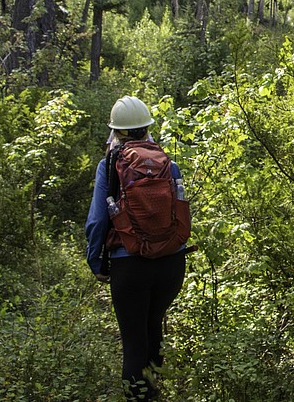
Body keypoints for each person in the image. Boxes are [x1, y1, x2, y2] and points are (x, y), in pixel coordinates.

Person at [85, 95, 187, 400]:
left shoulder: (110, 165)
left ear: (117, 131)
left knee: (134, 343)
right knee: (153, 328)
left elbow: (96, 221)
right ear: (147, 128)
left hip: (129, 266)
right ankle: (154, 393)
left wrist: (96, 263)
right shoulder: (169, 164)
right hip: (171, 264)